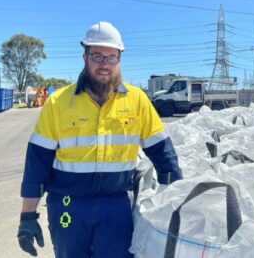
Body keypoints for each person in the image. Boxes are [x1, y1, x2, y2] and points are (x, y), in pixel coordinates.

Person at [17, 21, 183, 258]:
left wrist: (177, 204)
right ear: (85, 58)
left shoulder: (137, 101)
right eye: (97, 56)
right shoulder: (58, 103)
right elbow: (37, 165)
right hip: (67, 206)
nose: (104, 64)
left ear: (119, 60)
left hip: (116, 207)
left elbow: (164, 155)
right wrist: (27, 216)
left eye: (111, 58)